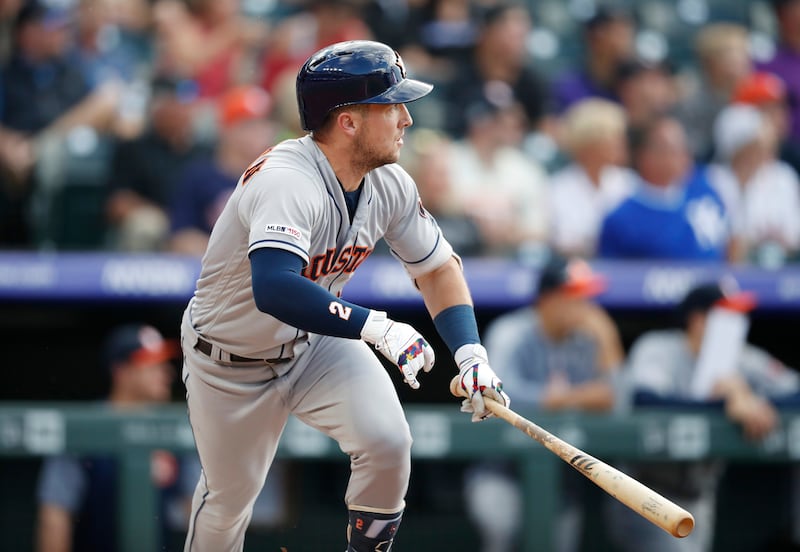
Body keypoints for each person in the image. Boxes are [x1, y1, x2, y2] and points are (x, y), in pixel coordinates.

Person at [179, 40, 510, 552]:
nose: (407, 119)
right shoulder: (288, 179)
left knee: (388, 443)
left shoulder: (390, 184)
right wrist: (378, 327)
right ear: (349, 121)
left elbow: (440, 268)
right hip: (229, 362)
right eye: (392, 105)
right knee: (229, 502)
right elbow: (275, 287)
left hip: (315, 342)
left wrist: (470, 354)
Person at [607, 280, 800, 552]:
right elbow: (645, 399)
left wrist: (755, 402)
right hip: (649, 491)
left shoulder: (740, 357)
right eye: (726, 314)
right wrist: (725, 404)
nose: (736, 322)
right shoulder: (659, 348)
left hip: (701, 496)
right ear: (698, 321)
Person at [464, 254, 624, 552]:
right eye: (575, 296)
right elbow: (493, 394)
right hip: (501, 471)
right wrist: (551, 398)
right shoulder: (512, 331)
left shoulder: (589, 339)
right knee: (500, 527)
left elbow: (617, 401)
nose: (585, 307)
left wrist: (608, 339)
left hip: (562, 482)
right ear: (549, 299)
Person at [35, 324, 179, 552]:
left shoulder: (177, 429)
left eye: (164, 363)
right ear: (121, 371)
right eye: (152, 363)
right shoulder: (83, 430)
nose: (165, 372)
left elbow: (197, 511)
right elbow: (55, 516)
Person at [597, 115, 734, 260]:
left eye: (683, 148)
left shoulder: (705, 193)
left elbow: (728, 244)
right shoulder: (623, 217)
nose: (683, 157)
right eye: (672, 150)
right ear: (644, 156)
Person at [707, 103, 800, 266]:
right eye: (754, 145)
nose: (762, 152)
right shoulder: (713, 179)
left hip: (782, 268)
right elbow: (712, 236)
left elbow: (794, 234)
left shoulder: (782, 177)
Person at [548, 97, 634, 258]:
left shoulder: (629, 183)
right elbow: (561, 240)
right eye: (614, 137)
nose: (621, 144)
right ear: (591, 142)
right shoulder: (559, 187)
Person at [550, 4, 635, 113]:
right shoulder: (567, 89)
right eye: (618, 32)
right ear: (595, 36)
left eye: (628, 32)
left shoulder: (632, 89)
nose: (626, 40)